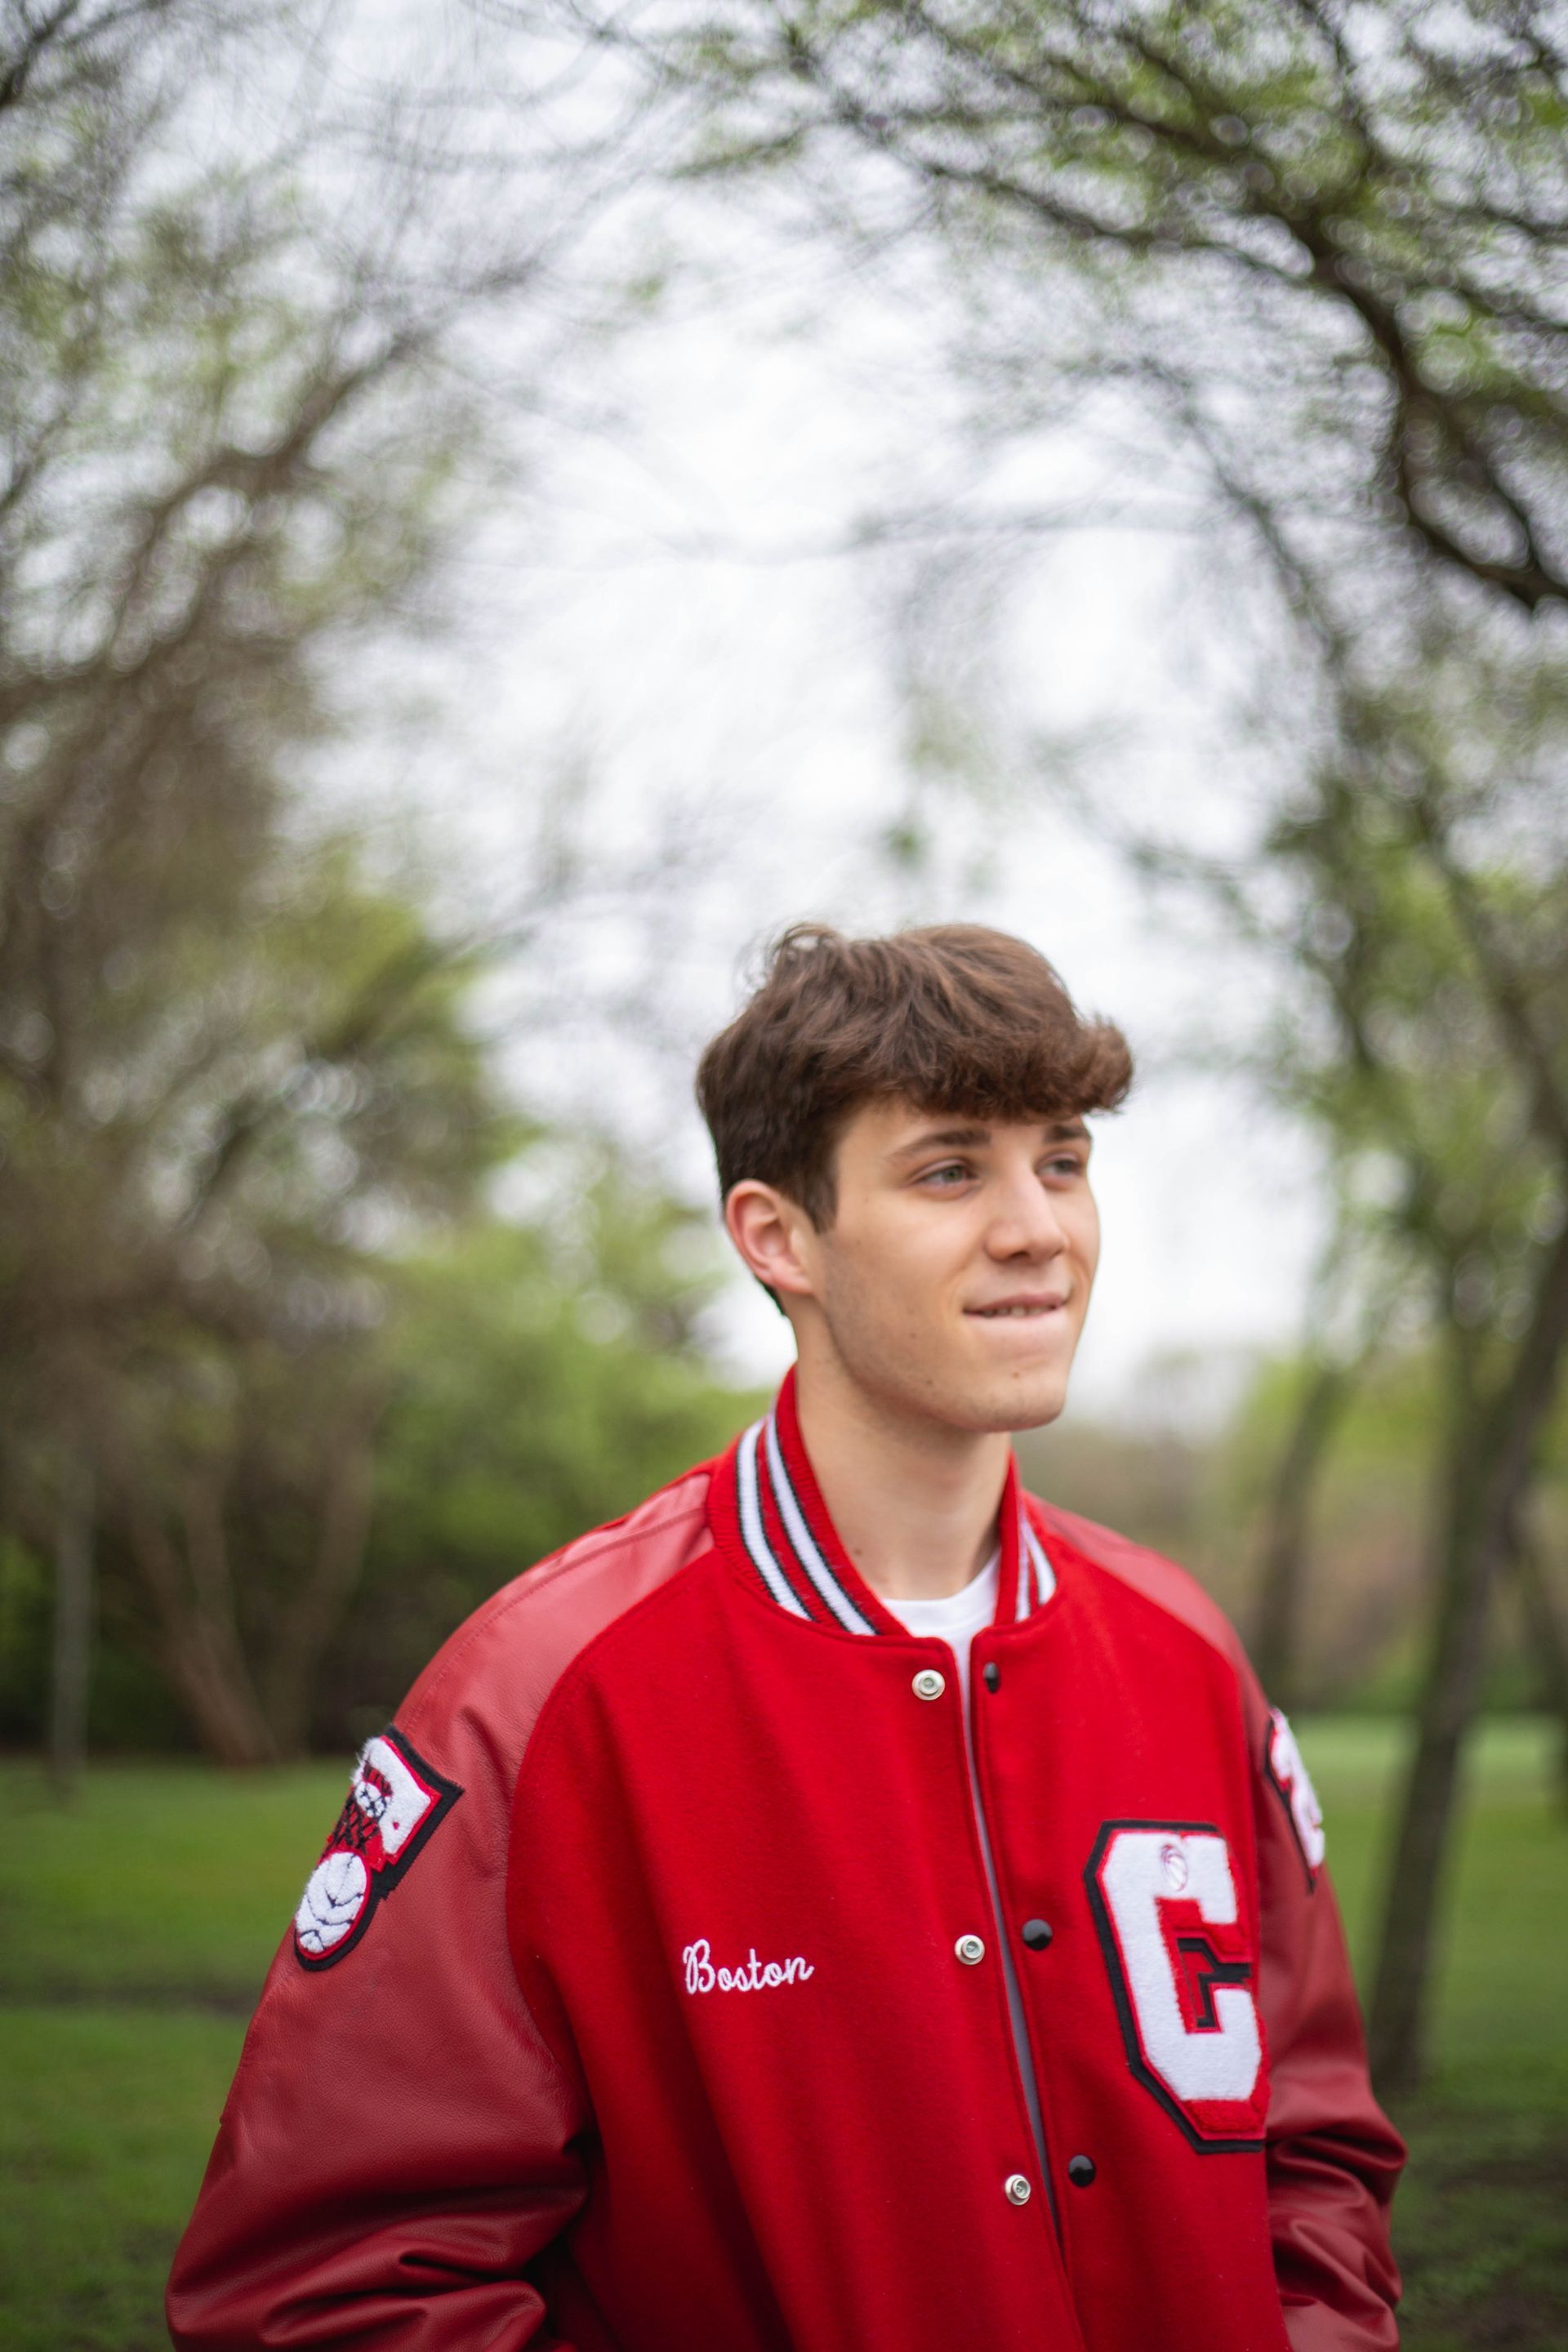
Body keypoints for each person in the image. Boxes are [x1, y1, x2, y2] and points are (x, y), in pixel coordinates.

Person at [167, 923, 1404, 2352]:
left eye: (1062, 1160)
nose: (1039, 1229)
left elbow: (1315, 2159)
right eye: (951, 1171)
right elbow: (323, 2289)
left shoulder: (1182, 1648)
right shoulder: (550, 1692)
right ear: (777, 1237)